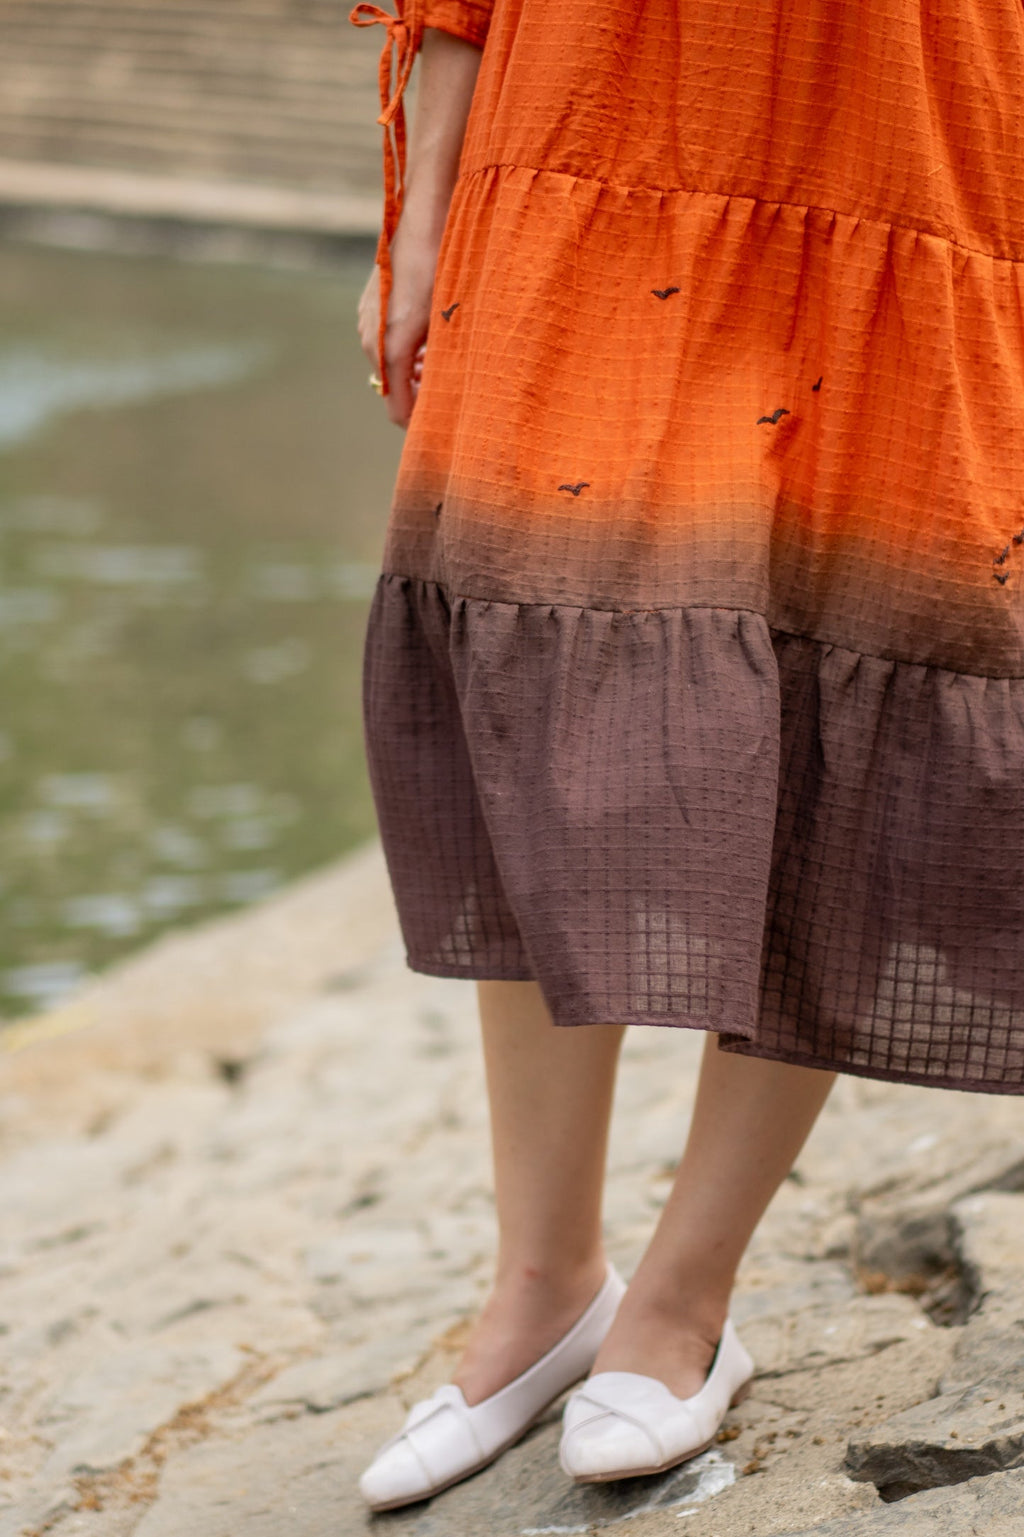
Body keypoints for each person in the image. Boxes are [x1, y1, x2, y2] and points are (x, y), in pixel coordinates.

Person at [348, 0, 1024, 1511]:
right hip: (590, 109)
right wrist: (427, 212)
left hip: (917, 134)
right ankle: (544, 1280)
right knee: (536, 664)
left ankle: (680, 1298)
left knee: (841, 693)